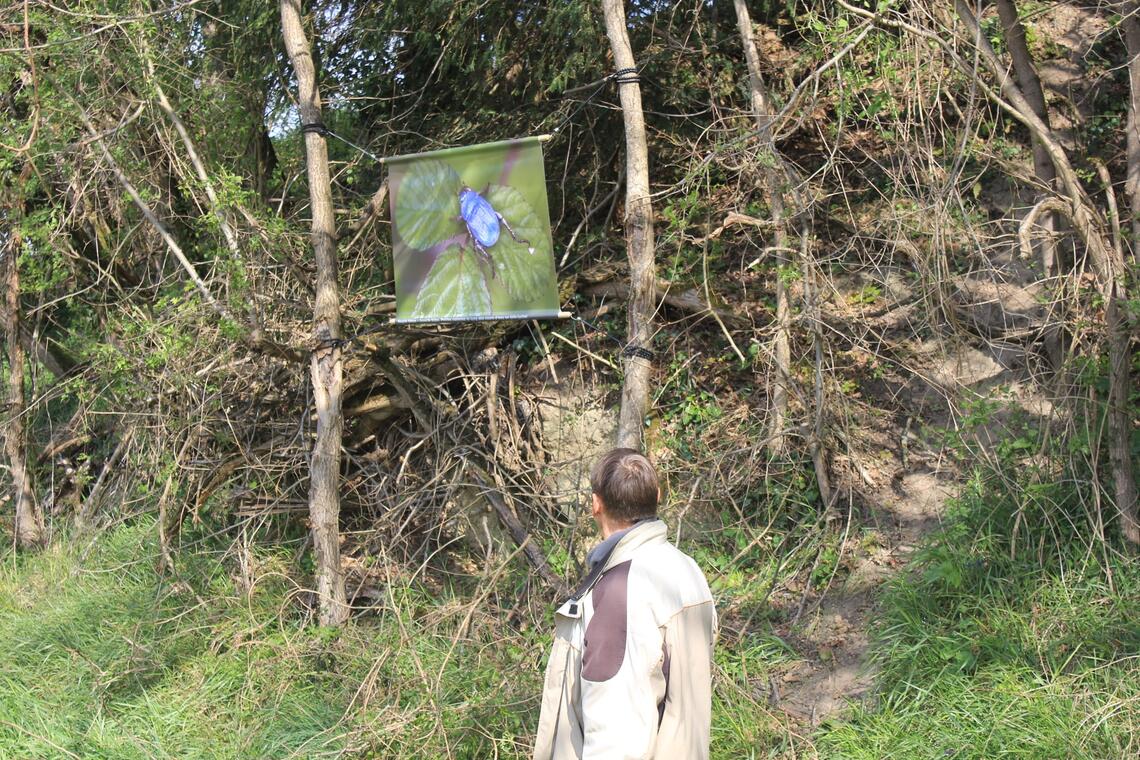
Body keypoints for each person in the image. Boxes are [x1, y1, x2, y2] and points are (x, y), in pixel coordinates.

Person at [533, 448, 717, 760]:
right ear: (657, 496)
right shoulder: (686, 569)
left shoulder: (619, 590)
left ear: (595, 504)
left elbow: (615, 733)